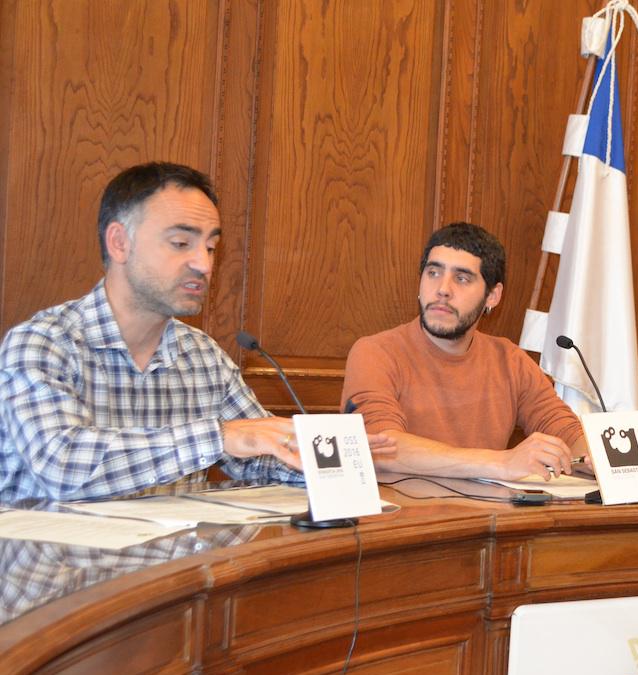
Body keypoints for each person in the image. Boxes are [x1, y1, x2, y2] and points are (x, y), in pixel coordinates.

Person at [0, 161, 393, 503]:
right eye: (181, 243)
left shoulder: (202, 356)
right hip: (57, 565)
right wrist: (219, 437)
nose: (203, 265)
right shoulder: (42, 343)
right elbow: (63, 465)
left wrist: (338, 461)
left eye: (210, 247)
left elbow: (260, 455)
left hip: (175, 564)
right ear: (119, 243)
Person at [341, 222, 589, 480]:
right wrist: (500, 462)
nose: (442, 289)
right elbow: (381, 450)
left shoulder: (510, 360)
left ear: (492, 296)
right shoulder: (375, 353)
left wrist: (596, 459)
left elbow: (566, 432)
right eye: (433, 273)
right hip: (401, 506)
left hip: (485, 506)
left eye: (461, 278)